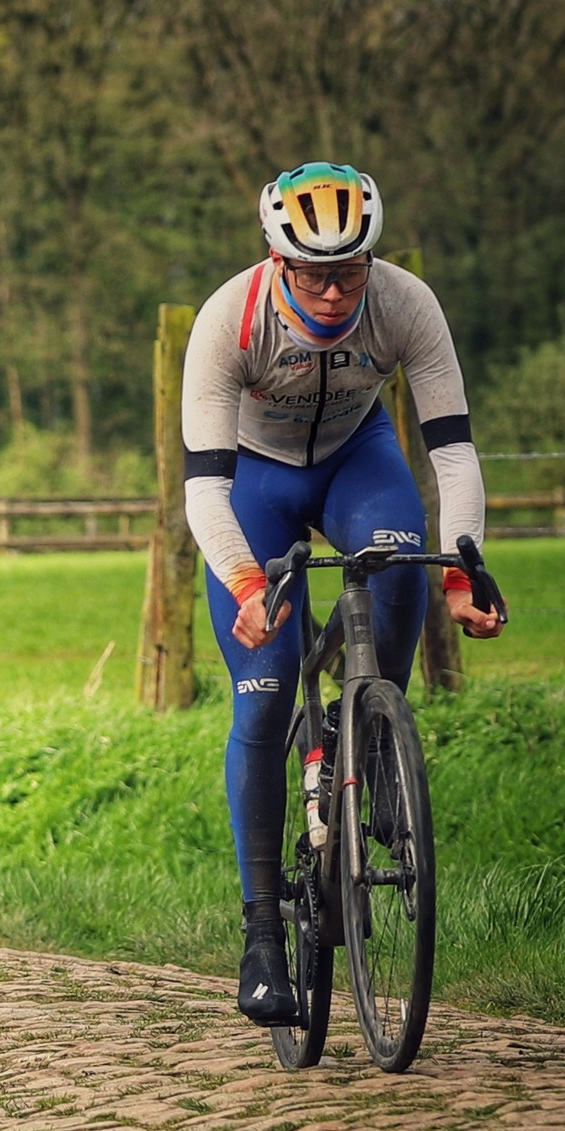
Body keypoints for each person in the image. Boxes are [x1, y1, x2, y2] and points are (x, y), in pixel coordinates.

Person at [182, 162, 504, 1027]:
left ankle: (374, 732)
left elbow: (454, 454)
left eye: (350, 270)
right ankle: (259, 936)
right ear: (278, 262)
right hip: (255, 482)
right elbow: (203, 490)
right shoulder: (228, 319)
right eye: (314, 273)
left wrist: (465, 565)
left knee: (399, 566)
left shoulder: (406, 303)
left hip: (360, 464)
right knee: (262, 696)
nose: (332, 291)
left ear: (372, 258)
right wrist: (248, 581)